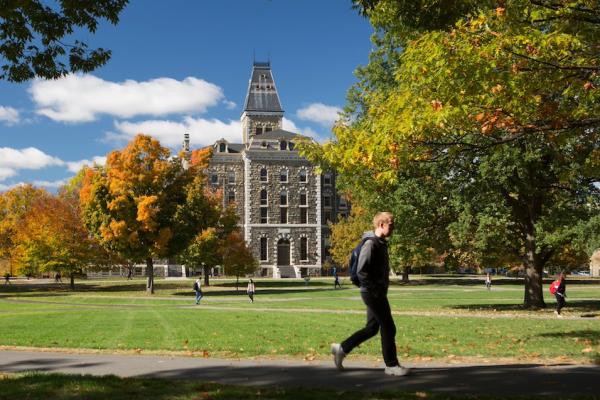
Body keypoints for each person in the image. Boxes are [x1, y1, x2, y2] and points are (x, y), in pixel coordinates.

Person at [331, 212, 410, 377]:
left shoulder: (381, 243)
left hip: (376, 291)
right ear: (381, 225)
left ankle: (342, 348)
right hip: (373, 293)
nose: (393, 227)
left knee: (372, 328)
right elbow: (361, 271)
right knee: (388, 327)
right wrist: (373, 290)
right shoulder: (371, 244)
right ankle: (391, 365)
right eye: (391, 224)